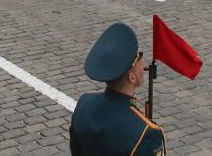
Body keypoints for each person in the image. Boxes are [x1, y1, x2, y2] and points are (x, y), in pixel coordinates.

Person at [70, 23, 165, 155]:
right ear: (131, 77)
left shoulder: (83, 105)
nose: (143, 65)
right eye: (138, 59)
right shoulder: (146, 134)